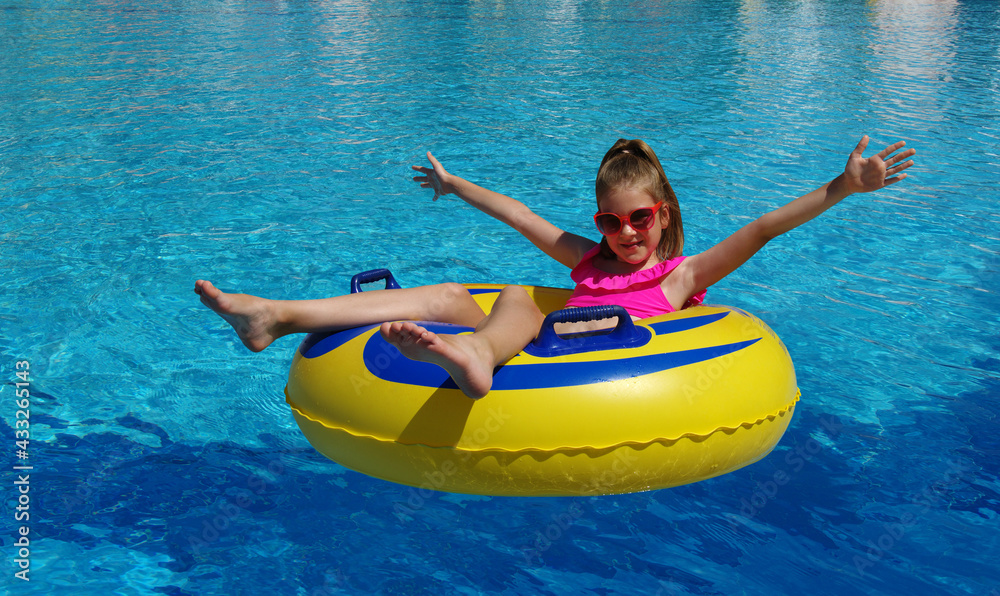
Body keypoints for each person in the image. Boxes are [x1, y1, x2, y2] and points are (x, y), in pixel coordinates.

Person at [195, 136, 915, 398]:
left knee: (517, 295)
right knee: (450, 291)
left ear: (663, 213)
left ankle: (472, 358)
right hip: (533, 342)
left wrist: (843, 187)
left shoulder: (680, 279)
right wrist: (455, 187)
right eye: (610, 220)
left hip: (565, 349)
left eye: (639, 218)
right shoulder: (588, 258)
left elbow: (761, 228)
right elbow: (518, 214)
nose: (625, 233)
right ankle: (276, 316)